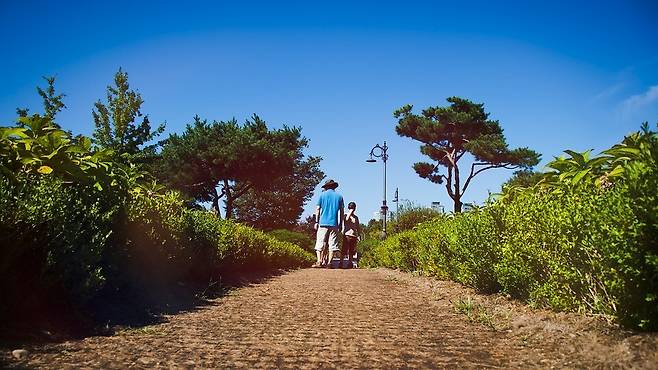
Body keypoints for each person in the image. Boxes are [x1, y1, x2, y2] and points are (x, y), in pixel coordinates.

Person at [312, 179, 344, 268]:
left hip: (323, 223)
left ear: (326, 187)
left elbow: (318, 209)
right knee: (332, 243)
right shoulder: (339, 196)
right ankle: (330, 263)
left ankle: (319, 261)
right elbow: (341, 212)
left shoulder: (322, 195)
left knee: (320, 242)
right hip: (334, 223)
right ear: (334, 187)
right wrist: (341, 224)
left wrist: (316, 221)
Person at [339, 202, 361, 269]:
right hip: (347, 235)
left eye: (353, 207)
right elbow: (346, 219)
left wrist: (359, 235)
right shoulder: (346, 215)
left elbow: (357, 227)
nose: (352, 209)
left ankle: (350, 262)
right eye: (351, 207)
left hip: (353, 235)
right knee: (344, 250)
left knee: (351, 250)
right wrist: (350, 212)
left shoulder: (356, 218)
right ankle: (341, 262)